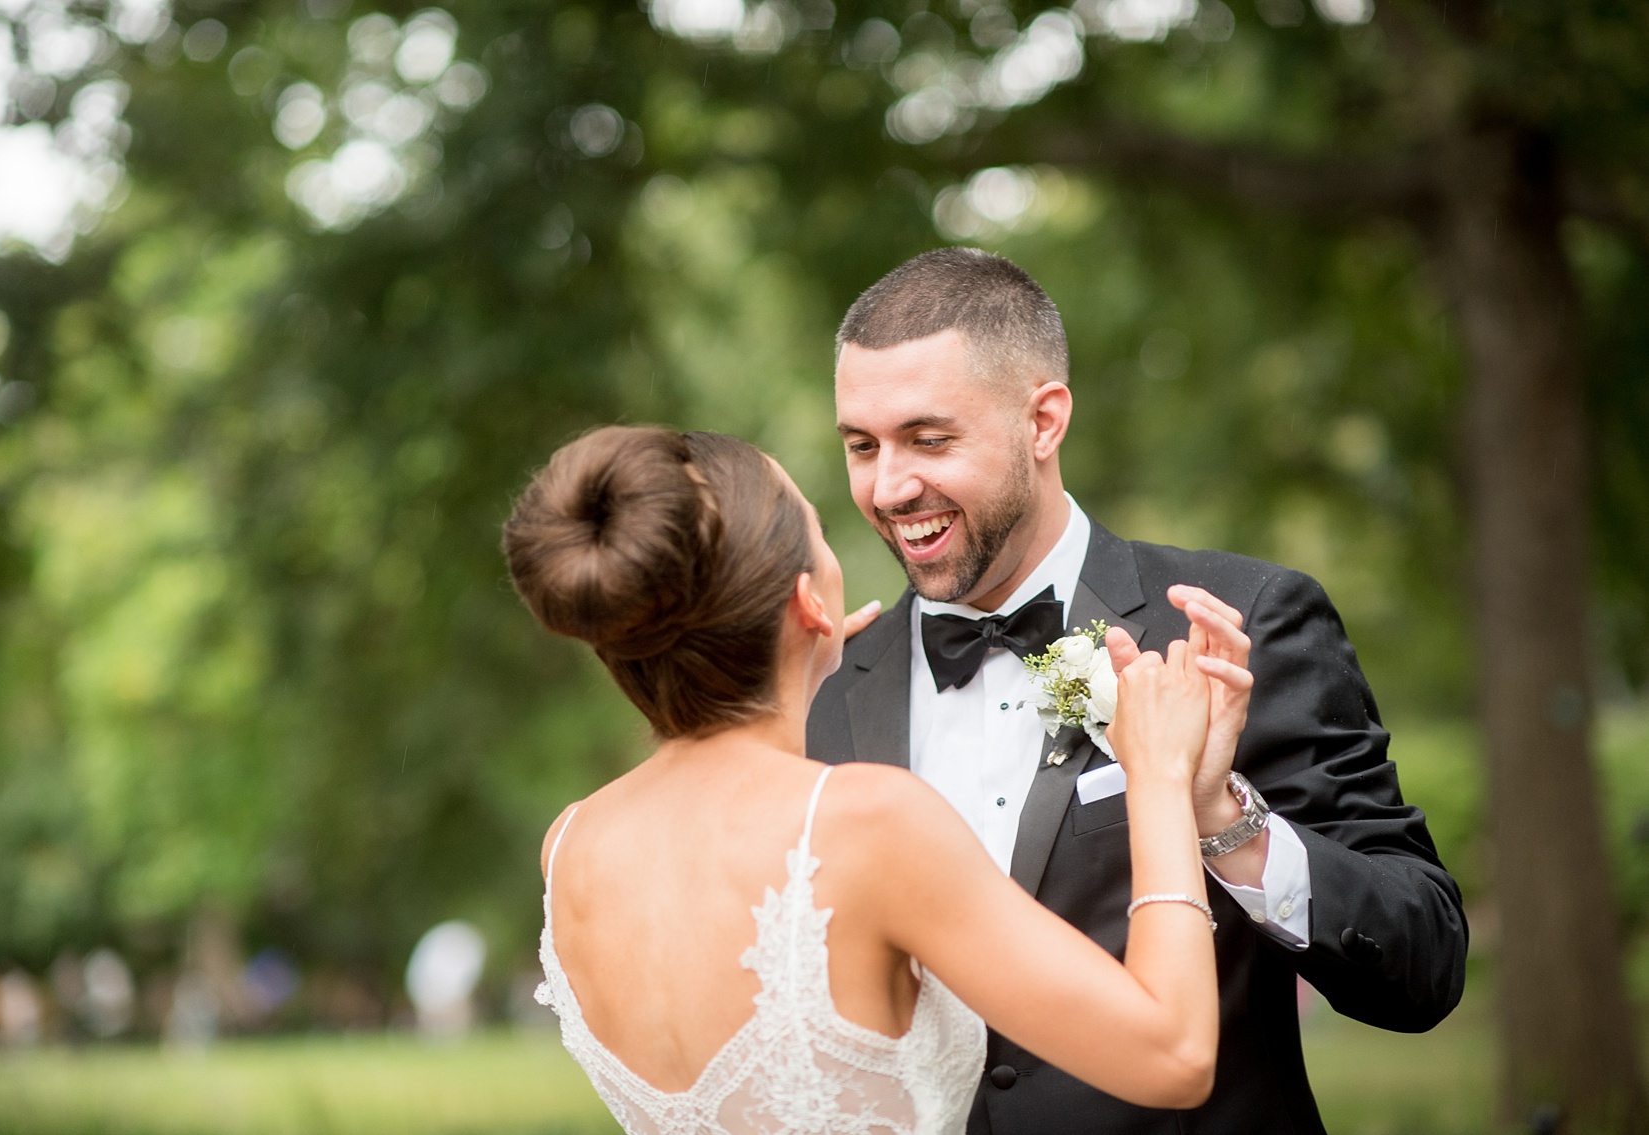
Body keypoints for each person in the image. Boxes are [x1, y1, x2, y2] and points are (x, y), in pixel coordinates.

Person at [808, 248, 1469, 1135]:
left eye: (929, 439)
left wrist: (1224, 821)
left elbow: (1422, 964)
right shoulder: (829, 692)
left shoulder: (1244, 623)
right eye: (862, 446)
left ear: (1043, 421)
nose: (890, 487)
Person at [506, 425, 1254, 1135]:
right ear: (809, 601)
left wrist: (802, 671)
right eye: (819, 534)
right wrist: (1156, 774)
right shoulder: (864, 822)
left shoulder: (571, 844)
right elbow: (1174, 1054)